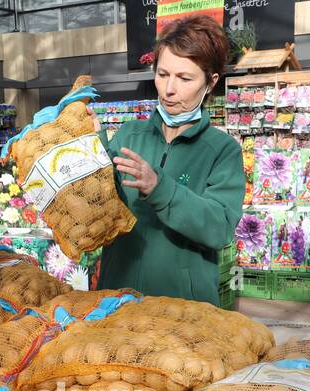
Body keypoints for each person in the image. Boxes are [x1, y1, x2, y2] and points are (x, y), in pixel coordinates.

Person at [97, 16, 244, 308]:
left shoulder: (222, 151)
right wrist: (91, 145)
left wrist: (160, 188)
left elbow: (219, 227)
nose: (169, 90)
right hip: (117, 301)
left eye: (184, 78)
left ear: (211, 81)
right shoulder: (129, 135)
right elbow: (99, 202)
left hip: (183, 309)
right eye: (163, 74)